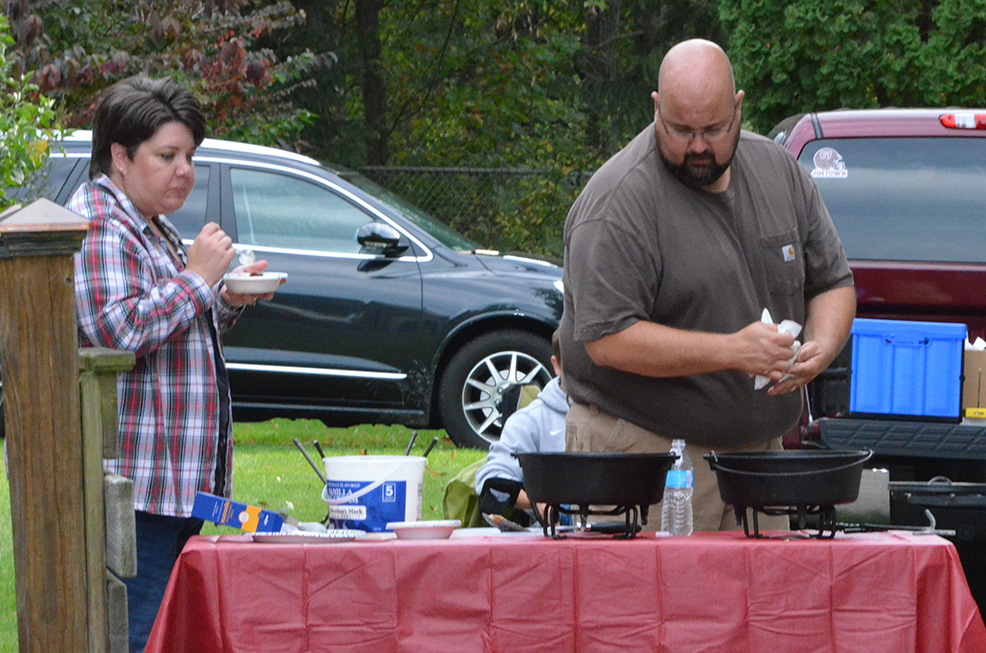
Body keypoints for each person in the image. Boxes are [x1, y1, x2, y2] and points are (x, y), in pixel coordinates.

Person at [558, 39, 856, 533]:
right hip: (646, 458)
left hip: (759, 463)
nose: (698, 146)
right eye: (680, 130)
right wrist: (732, 351)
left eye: (714, 129)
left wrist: (821, 347)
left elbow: (833, 282)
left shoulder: (779, 172)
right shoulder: (618, 202)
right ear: (656, 109)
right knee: (657, 611)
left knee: (761, 611)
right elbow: (607, 339)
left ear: (738, 108)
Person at [70, 75, 277, 652]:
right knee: (133, 638)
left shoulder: (148, 223)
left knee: (162, 634)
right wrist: (199, 279)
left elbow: (173, 327)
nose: (184, 169)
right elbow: (118, 330)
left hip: (171, 485)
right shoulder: (101, 225)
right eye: (167, 155)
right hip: (137, 487)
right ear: (119, 154)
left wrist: (225, 298)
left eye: (189, 155)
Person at [474, 331, 569, 523]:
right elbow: (490, 479)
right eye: (577, 364)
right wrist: (537, 502)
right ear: (556, 365)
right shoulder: (530, 420)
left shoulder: (623, 411)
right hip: (556, 532)